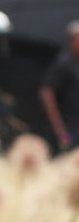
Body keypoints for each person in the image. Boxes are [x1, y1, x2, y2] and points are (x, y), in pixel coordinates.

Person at [40, 20, 79, 152]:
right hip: (68, 131)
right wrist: (60, 130)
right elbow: (47, 93)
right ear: (71, 40)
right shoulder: (63, 63)